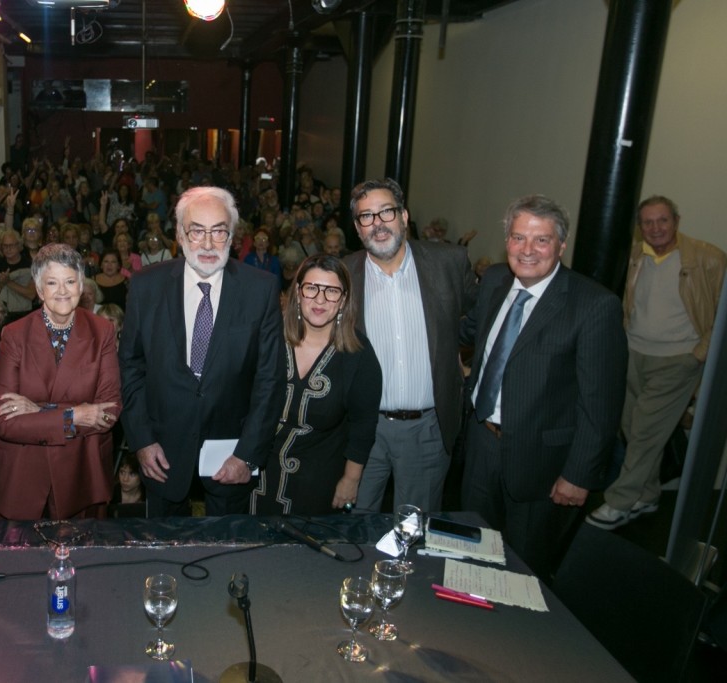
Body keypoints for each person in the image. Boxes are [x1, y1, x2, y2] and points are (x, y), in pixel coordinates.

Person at [460, 195, 627, 579]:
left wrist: (579, 475)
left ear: (561, 245)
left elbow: (600, 405)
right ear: (507, 241)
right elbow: (468, 332)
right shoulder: (495, 280)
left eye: (541, 240)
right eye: (519, 238)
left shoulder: (593, 306)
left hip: (543, 465)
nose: (527, 250)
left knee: (525, 571)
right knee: (470, 554)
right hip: (482, 445)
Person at [119, 186, 285, 516]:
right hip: (162, 450)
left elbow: (270, 380)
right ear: (180, 235)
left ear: (232, 237)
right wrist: (142, 439)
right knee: (163, 544)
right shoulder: (145, 286)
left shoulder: (261, 289)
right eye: (197, 231)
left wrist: (248, 454)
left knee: (228, 544)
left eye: (219, 231)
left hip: (231, 451)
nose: (208, 244)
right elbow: (130, 366)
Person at [588, 196, 727, 530]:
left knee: (646, 433)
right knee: (632, 428)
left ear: (676, 221)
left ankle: (619, 501)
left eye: (662, 220)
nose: (655, 228)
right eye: (648, 222)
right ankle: (648, 495)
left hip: (677, 361)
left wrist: (700, 352)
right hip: (634, 355)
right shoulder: (636, 256)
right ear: (640, 227)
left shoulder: (707, 257)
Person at [344, 179, 478, 515]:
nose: (378, 223)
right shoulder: (343, 275)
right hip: (361, 430)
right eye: (366, 216)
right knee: (352, 524)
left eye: (386, 212)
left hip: (426, 430)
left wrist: (453, 352)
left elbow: (477, 319)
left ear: (404, 216)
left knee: (414, 529)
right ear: (357, 228)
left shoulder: (449, 262)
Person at [0, 243, 120, 520]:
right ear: (39, 289)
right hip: (22, 475)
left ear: (81, 286)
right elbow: (5, 422)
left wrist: (39, 410)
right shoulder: (14, 334)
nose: (62, 291)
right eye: (52, 282)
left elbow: (107, 413)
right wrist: (73, 415)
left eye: (69, 281)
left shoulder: (102, 331)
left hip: (81, 474)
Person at [250, 255, 381, 515]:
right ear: (298, 293)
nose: (320, 300)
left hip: (318, 485)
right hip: (254, 476)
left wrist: (351, 479)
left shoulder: (358, 355)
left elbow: (363, 426)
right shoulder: (268, 338)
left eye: (331, 291)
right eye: (311, 288)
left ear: (343, 299)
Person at [109, 451, 146, 518]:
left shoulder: (148, 497)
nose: (125, 479)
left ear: (141, 476)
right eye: (122, 472)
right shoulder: (110, 495)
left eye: (132, 474)